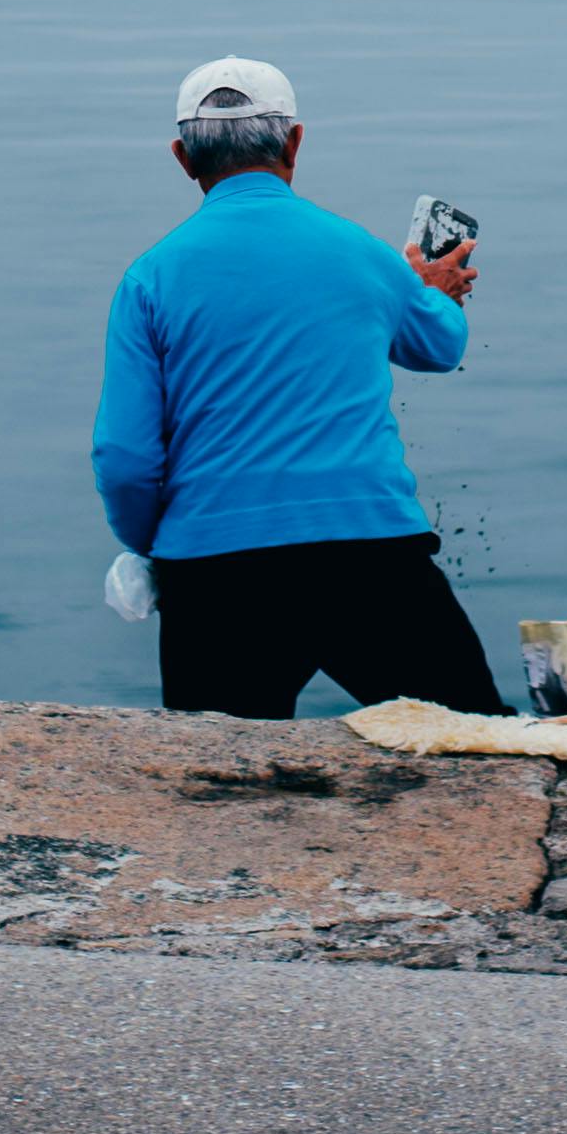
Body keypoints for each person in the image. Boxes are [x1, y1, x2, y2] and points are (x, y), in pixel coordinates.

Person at [94, 53, 500, 720]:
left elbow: (125, 459)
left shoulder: (150, 279)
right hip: (371, 559)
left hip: (215, 573)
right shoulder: (361, 253)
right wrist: (438, 292)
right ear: (295, 141)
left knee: (216, 787)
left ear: (182, 157)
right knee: (475, 754)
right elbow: (438, 345)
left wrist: (153, 549)